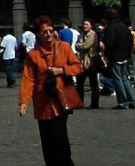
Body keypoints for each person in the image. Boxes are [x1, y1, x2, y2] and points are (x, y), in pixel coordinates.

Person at [20, 16, 83, 166]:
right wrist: (24, 101)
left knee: (60, 139)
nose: (48, 34)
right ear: (38, 34)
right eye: (44, 31)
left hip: (60, 100)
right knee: (47, 143)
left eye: (50, 30)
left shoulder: (64, 48)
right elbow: (28, 79)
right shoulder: (33, 55)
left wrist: (62, 70)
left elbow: (78, 67)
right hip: (42, 102)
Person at [100, 9, 135, 110]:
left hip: (116, 56)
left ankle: (123, 102)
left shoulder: (111, 27)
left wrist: (106, 53)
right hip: (124, 55)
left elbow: (110, 42)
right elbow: (130, 40)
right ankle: (132, 100)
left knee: (118, 79)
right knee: (124, 78)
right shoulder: (124, 26)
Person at [74, 20, 102, 109]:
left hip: (91, 60)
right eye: (84, 24)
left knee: (93, 83)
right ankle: (79, 102)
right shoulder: (81, 34)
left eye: (87, 24)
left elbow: (86, 45)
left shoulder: (92, 34)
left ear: (91, 26)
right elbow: (76, 45)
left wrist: (79, 45)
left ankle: (94, 103)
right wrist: (79, 46)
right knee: (80, 82)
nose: (85, 26)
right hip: (82, 61)